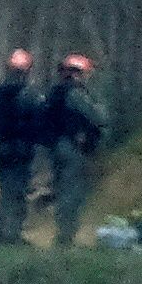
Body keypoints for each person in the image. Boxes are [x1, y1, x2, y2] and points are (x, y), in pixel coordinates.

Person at [39, 54, 106, 248]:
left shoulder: (54, 92)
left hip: (55, 148)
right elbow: (98, 117)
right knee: (72, 192)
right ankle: (65, 237)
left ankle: (62, 233)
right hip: (72, 148)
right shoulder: (75, 94)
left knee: (62, 190)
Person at [0, 49, 42, 246]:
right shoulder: (29, 95)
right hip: (19, 153)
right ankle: (11, 236)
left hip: (1, 151)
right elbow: (36, 125)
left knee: (6, 194)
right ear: (26, 71)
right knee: (16, 195)